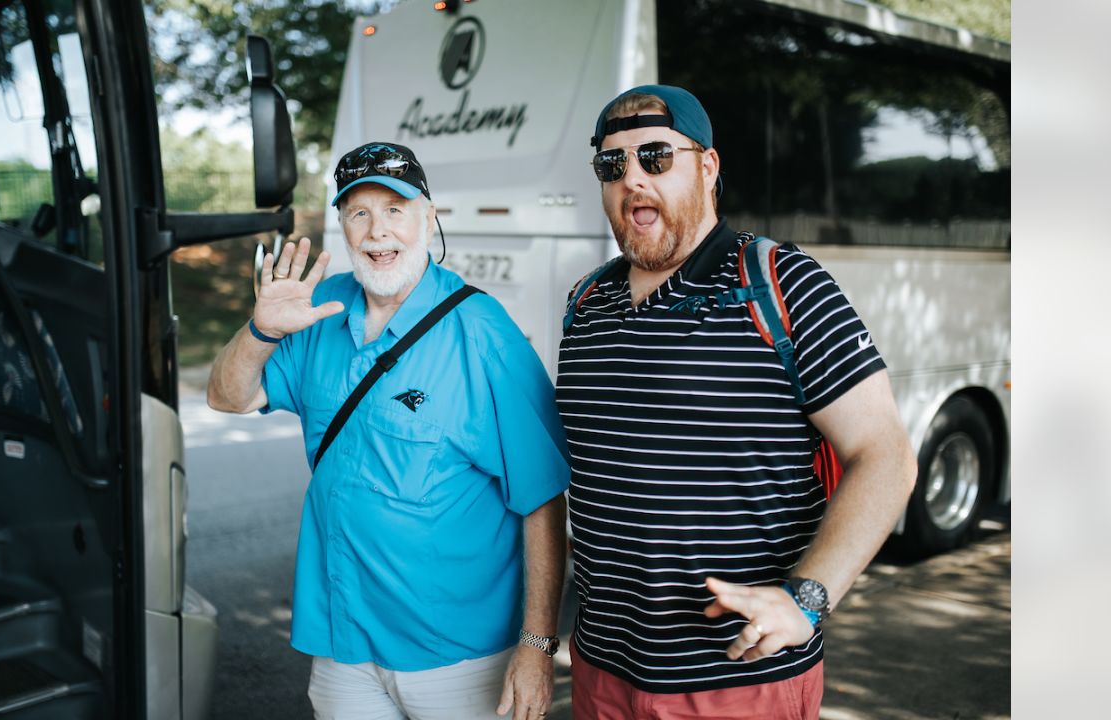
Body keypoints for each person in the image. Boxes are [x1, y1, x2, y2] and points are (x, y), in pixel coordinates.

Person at [557, 85, 917, 719]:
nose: (632, 180)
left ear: (708, 166)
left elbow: (884, 455)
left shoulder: (780, 283)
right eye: (613, 165)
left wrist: (807, 598)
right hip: (600, 671)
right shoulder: (587, 305)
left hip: (737, 681)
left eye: (656, 158)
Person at [207, 142, 570, 720]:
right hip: (343, 641)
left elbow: (543, 498)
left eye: (395, 209)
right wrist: (260, 329)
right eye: (359, 212)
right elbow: (228, 396)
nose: (378, 232)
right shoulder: (318, 308)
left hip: (456, 654)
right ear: (343, 226)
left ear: (429, 217)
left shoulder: (482, 332)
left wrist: (536, 646)